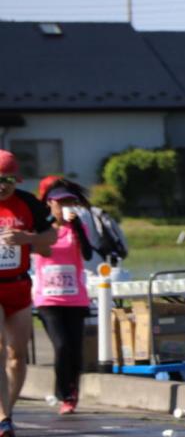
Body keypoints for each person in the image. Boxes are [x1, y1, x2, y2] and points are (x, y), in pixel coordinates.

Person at [0, 150, 56, 437]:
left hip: (19, 286)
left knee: (17, 354)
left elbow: (51, 238)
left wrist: (26, 239)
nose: (1, 187)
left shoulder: (28, 202)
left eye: (7, 180)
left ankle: (7, 412)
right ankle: (2, 418)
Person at [33, 178, 95, 415]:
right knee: (61, 346)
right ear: (50, 204)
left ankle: (72, 393)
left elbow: (88, 255)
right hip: (48, 299)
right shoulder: (41, 227)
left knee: (75, 349)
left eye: (70, 202)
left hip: (75, 299)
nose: (65, 207)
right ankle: (62, 393)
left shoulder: (78, 228)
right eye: (61, 203)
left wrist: (77, 227)